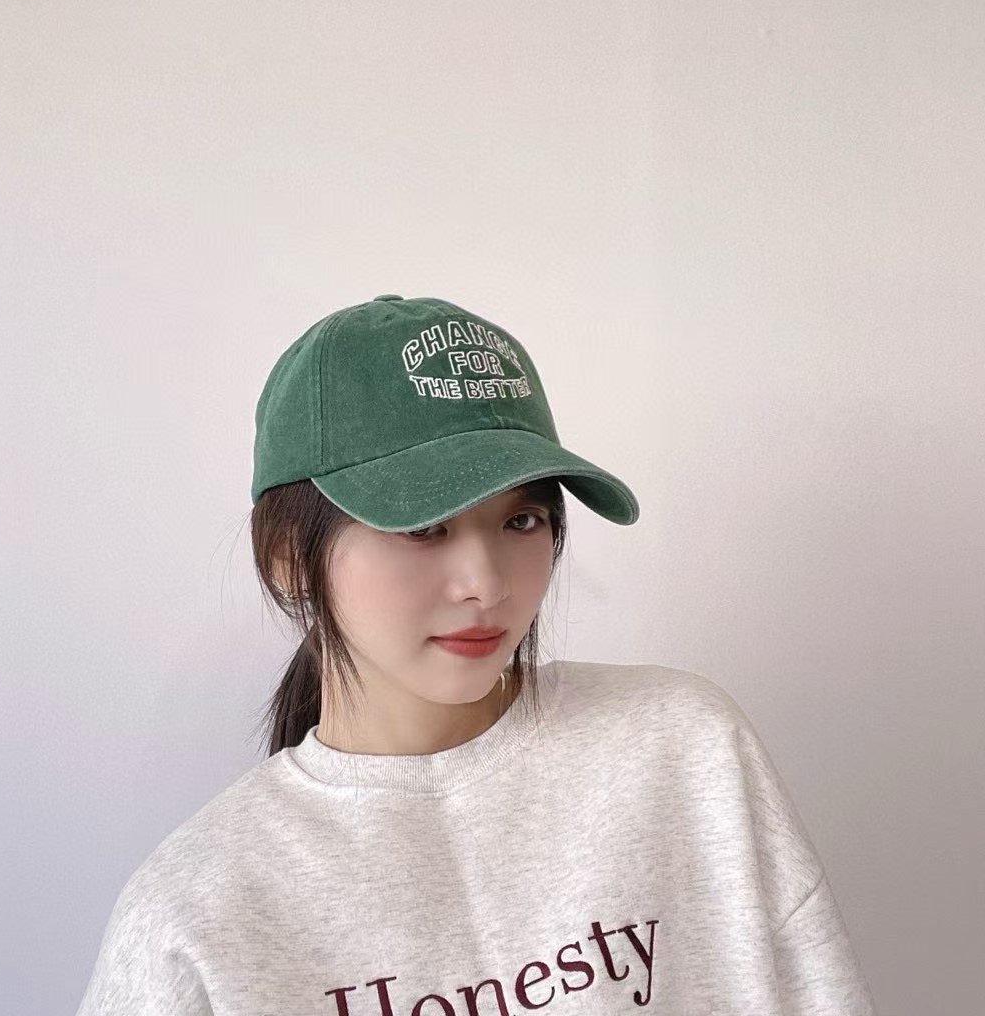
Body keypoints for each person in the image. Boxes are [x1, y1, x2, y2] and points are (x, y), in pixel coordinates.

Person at [75, 293, 877, 1015]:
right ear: (288, 555)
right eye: (423, 526)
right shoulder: (197, 914)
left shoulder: (684, 751)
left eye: (521, 521)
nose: (486, 584)